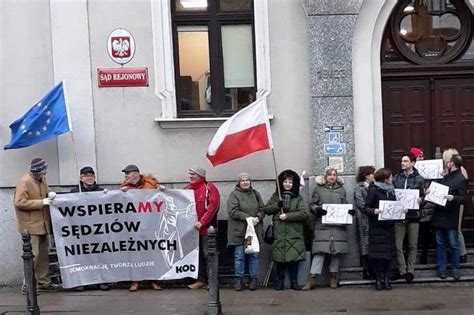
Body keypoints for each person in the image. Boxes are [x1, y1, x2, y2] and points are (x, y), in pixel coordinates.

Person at [302, 167, 353, 290]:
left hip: (338, 226)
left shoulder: (341, 190)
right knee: (319, 252)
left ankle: (333, 277)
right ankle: (312, 278)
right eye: (330, 174)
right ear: (325, 176)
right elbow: (312, 204)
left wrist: (349, 212)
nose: (332, 177)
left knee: (336, 252)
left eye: (334, 175)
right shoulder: (318, 189)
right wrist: (317, 210)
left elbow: (344, 204)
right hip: (322, 225)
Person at [14, 158, 60, 293]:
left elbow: (46, 191)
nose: (45, 173)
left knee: (43, 256)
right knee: (33, 256)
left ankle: (43, 283)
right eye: (43, 171)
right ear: (37, 171)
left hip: (41, 224)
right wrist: (42, 202)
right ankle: (27, 285)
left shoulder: (41, 179)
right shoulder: (24, 182)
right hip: (30, 226)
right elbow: (20, 202)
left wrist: (51, 194)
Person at [263, 169, 308, 291]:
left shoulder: (298, 198)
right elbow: (266, 209)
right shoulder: (276, 196)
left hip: (294, 233)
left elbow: (304, 213)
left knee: (294, 259)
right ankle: (279, 282)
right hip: (279, 233)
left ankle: (294, 282)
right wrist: (277, 206)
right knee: (280, 259)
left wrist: (288, 216)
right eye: (285, 181)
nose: (287, 184)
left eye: (290, 182)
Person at [121, 164, 163, 292]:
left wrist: (162, 191)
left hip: (150, 224)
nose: (126, 177)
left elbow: (159, 200)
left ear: (135, 174)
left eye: (127, 174)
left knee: (151, 252)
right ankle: (135, 281)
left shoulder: (151, 185)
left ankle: (153, 280)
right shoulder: (125, 188)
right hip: (134, 226)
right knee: (135, 254)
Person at [70, 166, 110, 291]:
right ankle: (83, 281)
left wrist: (108, 196)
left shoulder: (102, 191)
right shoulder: (74, 192)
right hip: (82, 230)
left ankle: (102, 281)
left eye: (91, 176)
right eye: (86, 176)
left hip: (98, 229)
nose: (89, 178)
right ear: (81, 178)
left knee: (100, 255)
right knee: (82, 256)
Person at [431, 154, 468, 280]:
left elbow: (464, 198)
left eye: (448, 162)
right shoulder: (445, 176)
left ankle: (455, 269)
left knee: (453, 244)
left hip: (451, 215)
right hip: (439, 214)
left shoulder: (461, 179)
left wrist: (454, 198)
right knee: (440, 243)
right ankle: (441, 269)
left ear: (452, 163)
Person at [227, 172, 265, 291]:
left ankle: (253, 279)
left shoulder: (256, 194)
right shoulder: (234, 195)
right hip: (239, 232)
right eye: (243, 180)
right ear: (239, 182)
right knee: (239, 256)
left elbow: (262, 208)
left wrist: (258, 217)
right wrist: (248, 218)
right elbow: (233, 211)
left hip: (252, 232)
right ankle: (239, 279)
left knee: (253, 255)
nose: (245, 182)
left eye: (247, 180)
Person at [363, 168, 399, 291]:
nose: (392, 179)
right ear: (385, 178)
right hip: (377, 227)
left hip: (389, 227)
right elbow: (366, 207)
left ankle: (387, 279)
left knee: (388, 256)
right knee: (377, 257)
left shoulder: (393, 190)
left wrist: (401, 210)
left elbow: (396, 206)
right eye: (390, 177)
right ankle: (378, 280)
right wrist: (374, 211)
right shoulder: (373, 190)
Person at [184, 167, 220, 289]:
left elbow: (213, 206)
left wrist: (202, 222)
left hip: (206, 230)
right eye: (190, 174)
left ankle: (212, 281)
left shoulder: (209, 188)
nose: (190, 176)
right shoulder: (187, 189)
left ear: (200, 175)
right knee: (197, 256)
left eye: (193, 174)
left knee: (208, 255)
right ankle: (201, 279)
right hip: (192, 231)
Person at [392, 153, 424, 283]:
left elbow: (424, 196)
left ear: (412, 163)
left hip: (413, 216)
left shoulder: (419, 179)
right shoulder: (396, 178)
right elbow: (393, 194)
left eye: (405, 161)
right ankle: (402, 270)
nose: (402, 163)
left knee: (412, 245)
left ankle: (410, 270)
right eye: (401, 161)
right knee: (397, 244)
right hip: (399, 215)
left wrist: (420, 200)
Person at [442, 148, 469, 264]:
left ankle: (462, 253)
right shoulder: (448, 171)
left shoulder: (461, 170)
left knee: (457, 228)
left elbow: (463, 188)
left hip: (457, 203)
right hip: (449, 204)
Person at [353, 165, 375, 280]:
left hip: (373, 219)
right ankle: (366, 269)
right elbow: (360, 203)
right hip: (363, 219)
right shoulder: (359, 187)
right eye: (372, 173)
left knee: (372, 245)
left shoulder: (375, 186)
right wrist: (372, 209)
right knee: (364, 244)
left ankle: (373, 269)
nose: (374, 176)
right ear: (366, 176)